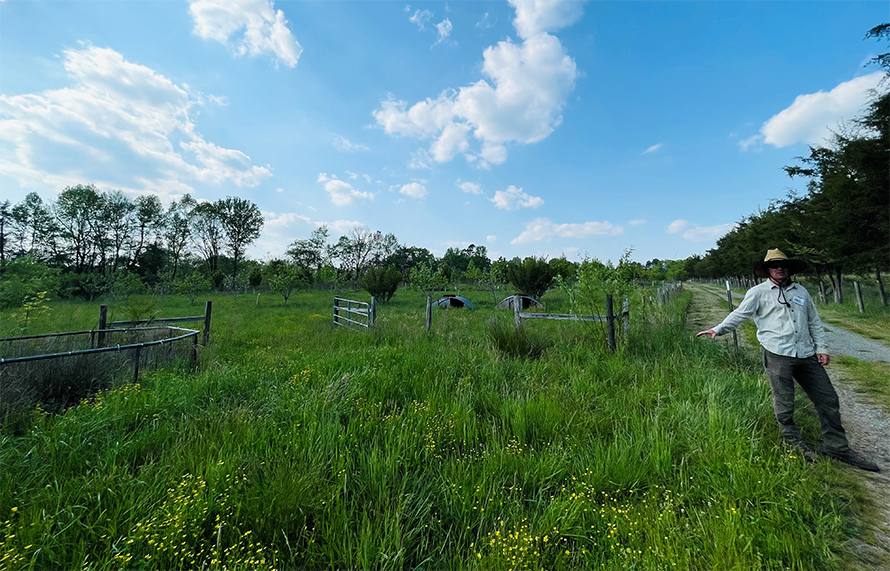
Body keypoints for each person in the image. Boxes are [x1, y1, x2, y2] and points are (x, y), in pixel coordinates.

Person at [697, 249, 879, 472]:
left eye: (783, 265)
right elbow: (740, 314)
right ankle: (794, 444)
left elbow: (814, 322)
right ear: (768, 270)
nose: (779, 268)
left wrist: (821, 348)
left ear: (789, 268)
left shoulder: (800, 291)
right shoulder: (758, 292)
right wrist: (718, 329)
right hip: (777, 354)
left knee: (828, 399)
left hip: (806, 353)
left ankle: (837, 449)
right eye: (774, 265)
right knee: (785, 403)